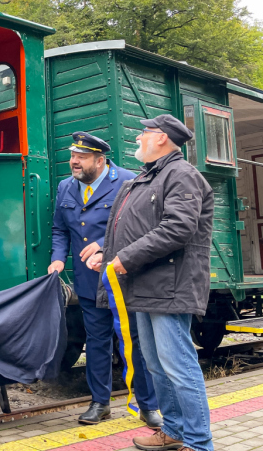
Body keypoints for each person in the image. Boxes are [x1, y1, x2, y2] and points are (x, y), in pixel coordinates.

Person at [88, 115, 214, 451]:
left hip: (170, 287)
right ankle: (173, 432)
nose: (138, 138)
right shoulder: (146, 178)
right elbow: (135, 229)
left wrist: (125, 259)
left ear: (161, 138)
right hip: (144, 285)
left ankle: (200, 443)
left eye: (144, 133)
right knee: (157, 366)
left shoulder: (181, 175)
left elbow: (178, 228)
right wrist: (107, 252)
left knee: (179, 367)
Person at [49, 132, 162, 427]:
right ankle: (100, 403)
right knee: (96, 343)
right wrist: (58, 258)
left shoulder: (128, 181)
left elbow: (142, 228)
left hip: (125, 278)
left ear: (100, 161)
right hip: (88, 281)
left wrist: (104, 244)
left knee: (135, 343)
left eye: (81, 157)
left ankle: (148, 405)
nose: (74, 162)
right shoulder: (65, 187)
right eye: (72, 156)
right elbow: (60, 229)